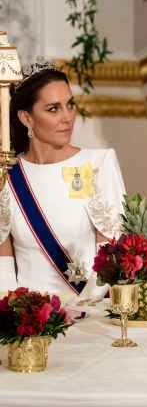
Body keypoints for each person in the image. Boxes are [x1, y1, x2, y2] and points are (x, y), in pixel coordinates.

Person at [0, 65, 125, 301]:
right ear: (26, 117)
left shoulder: (97, 164)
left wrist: (80, 307)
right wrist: (13, 312)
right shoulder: (7, 175)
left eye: (70, 105)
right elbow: (3, 259)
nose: (67, 117)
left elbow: (110, 253)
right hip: (28, 319)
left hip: (86, 313)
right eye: (53, 109)